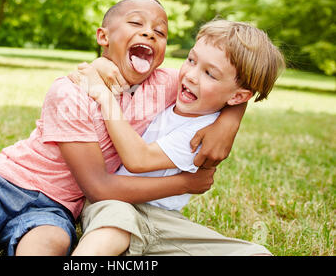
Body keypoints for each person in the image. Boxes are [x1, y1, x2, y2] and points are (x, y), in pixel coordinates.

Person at [0, 0, 245, 256]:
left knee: (49, 246)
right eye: (136, 24)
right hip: (2, 182)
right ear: (103, 37)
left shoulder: (167, 84)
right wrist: (184, 182)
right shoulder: (72, 92)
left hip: (56, 207)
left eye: (160, 32)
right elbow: (98, 185)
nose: (150, 34)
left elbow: (233, 81)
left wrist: (229, 122)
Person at [70, 19, 285, 256]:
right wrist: (100, 66)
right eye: (191, 60)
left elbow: (138, 159)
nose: (191, 75)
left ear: (238, 97)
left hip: (164, 220)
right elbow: (118, 66)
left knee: (257, 253)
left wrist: (105, 98)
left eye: (210, 74)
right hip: (115, 204)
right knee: (112, 231)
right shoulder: (170, 86)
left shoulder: (204, 133)